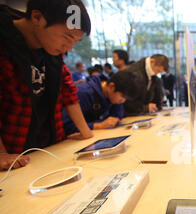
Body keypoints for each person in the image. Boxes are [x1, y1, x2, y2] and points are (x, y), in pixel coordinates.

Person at [0, 0, 93, 171]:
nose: (70, 48)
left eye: (75, 41)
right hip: (15, 156)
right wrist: (1, 155)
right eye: (67, 36)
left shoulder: (51, 50)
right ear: (37, 17)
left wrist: (86, 132)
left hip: (48, 147)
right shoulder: (5, 45)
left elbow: (68, 90)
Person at [63, 71, 138, 134]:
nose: (122, 101)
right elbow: (67, 126)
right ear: (112, 86)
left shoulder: (114, 94)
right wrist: (98, 125)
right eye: (122, 97)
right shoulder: (83, 93)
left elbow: (116, 117)